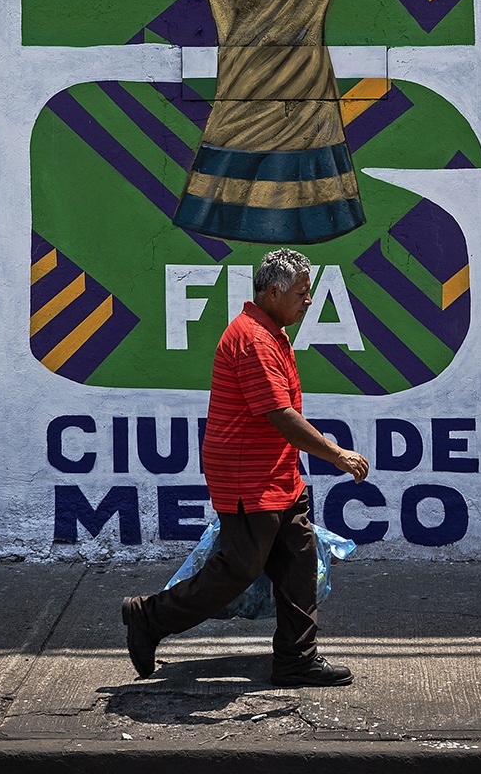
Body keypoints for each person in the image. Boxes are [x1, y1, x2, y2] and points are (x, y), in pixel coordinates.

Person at [120, 248, 371, 686]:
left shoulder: (271, 331)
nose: (308, 300)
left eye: (308, 292)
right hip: (248, 479)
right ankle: (150, 616)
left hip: (278, 474)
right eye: (301, 292)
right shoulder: (253, 339)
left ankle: (296, 658)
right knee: (239, 570)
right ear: (273, 291)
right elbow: (281, 415)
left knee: (298, 561)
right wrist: (336, 453)